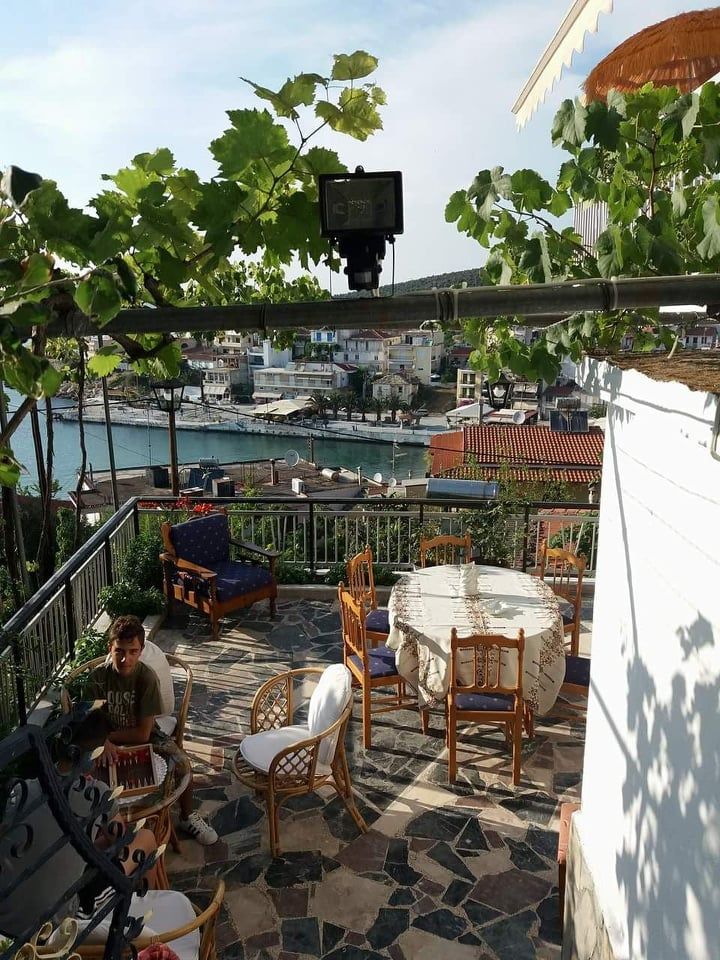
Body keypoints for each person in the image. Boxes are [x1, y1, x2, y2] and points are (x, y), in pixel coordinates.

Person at [79, 615, 217, 846]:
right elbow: (86, 722)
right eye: (119, 651)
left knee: (183, 765)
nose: (126, 659)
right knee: (81, 775)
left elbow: (143, 734)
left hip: (142, 735)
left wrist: (104, 737)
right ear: (110, 648)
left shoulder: (146, 678)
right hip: (106, 739)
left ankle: (187, 816)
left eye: (133, 651)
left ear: (141, 651)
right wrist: (100, 741)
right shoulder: (97, 679)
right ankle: (99, 829)